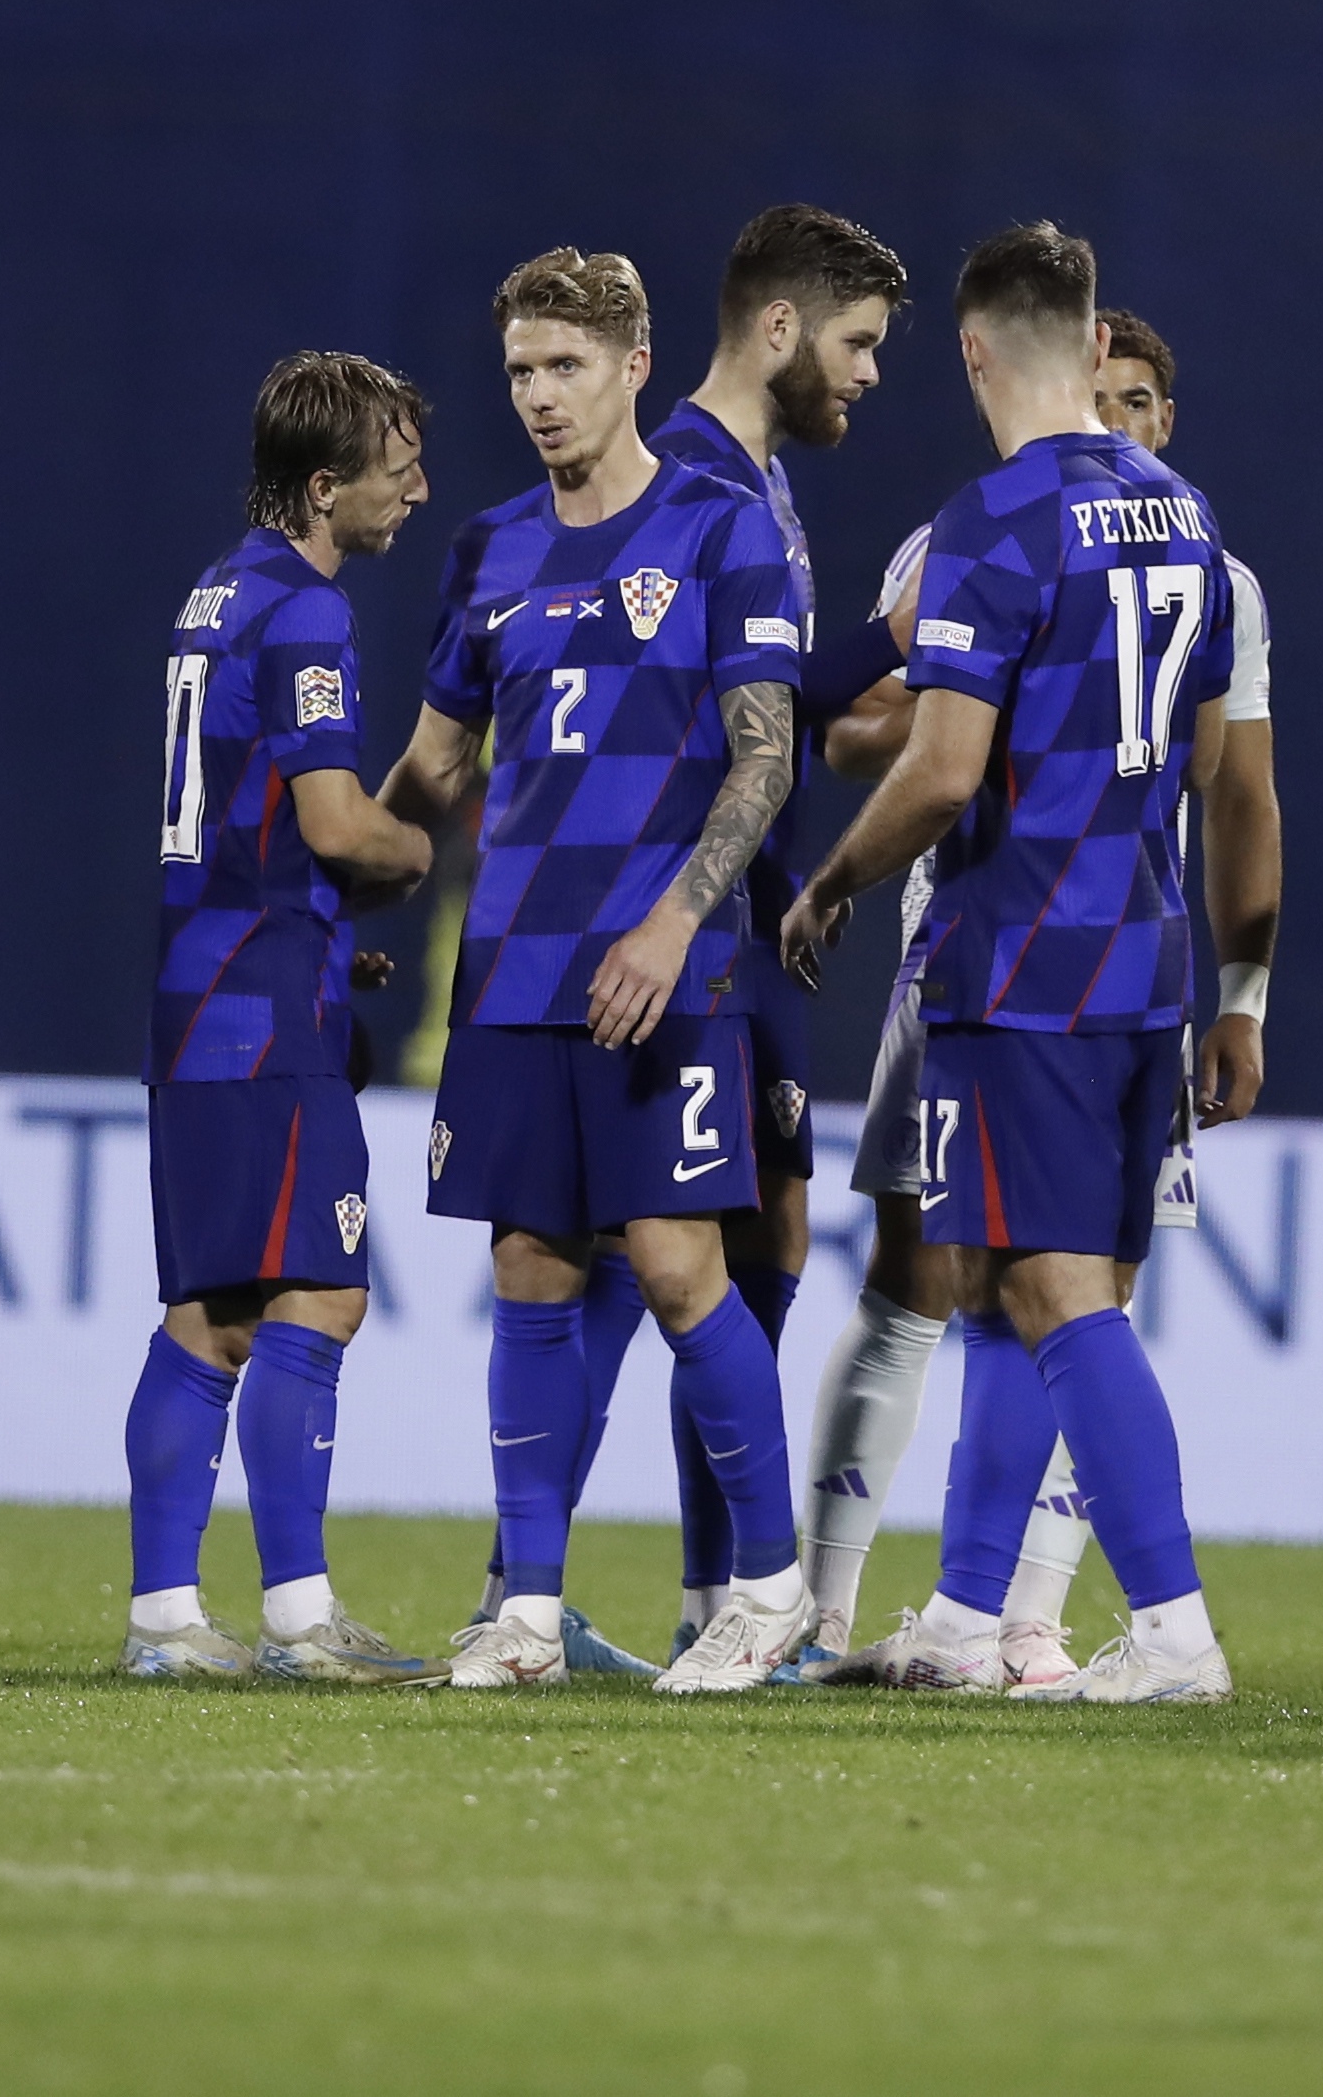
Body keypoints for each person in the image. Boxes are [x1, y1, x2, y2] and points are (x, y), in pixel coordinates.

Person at [778, 225, 1242, 1704]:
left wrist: (830, 881)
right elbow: (1207, 752)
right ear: (1097, 345)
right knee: (995, 1286)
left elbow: (937, 769)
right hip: (1145, 953)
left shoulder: (993, 519)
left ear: (974, 351)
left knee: (1055, 1293)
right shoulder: (1184, 512)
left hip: (1026, 955)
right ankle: (966, 1616)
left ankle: (1173, 1628)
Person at [383, 249, 815, 1695]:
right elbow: (436, 762)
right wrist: (337, 864)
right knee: (528, 1266)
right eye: (520, 370)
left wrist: (677, 920)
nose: (539, 395)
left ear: (635, 367)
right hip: (515, 965)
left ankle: (768, 1590)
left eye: (565, 365)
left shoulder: (717, 528)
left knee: (684, 1268)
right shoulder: (488, 548)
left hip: (663, 966)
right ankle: (526, 1611)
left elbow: (765, 757)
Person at [527, 203, 905, 1667]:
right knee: (659, 1255)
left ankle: (699, 1604)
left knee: (739, 1250)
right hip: (689, 925)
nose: (866, 374)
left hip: (755, 913)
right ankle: (553, 1583)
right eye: (856, 342)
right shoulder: (680, 476)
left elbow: (780, 707)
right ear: (778, 326)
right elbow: (727, 712)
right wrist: (900, 633)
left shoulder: (757, 482)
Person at [119, 352, 446, 1682]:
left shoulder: (215, 591)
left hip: (205, 990)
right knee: (320, 1290)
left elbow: (248, 822)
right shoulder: (309, 608)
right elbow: (335, 820)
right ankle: (303, 1619)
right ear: (323, 487)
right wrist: (416, 850)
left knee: (211, 1312)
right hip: (262, 1012)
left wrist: (324, 930)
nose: (415, 489)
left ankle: (164, 1618)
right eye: (395, 468)